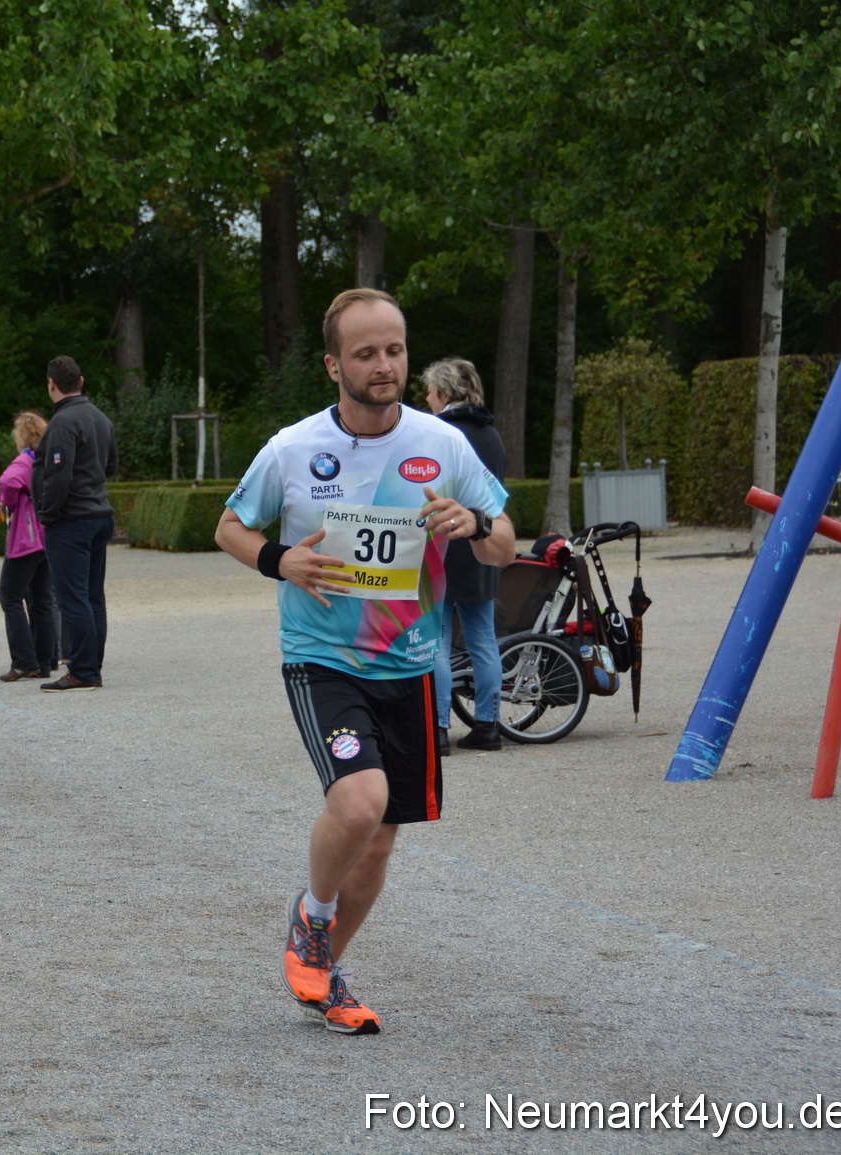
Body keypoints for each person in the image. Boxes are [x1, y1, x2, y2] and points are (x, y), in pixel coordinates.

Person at [215, 288, 514, 1036]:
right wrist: (281, 560)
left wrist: (474, 521)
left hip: (411, 663)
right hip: (323, 657)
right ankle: (311, 917)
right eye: (366, 353)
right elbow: (229, 526)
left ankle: (326, 971)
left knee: (380, 837)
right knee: (359, 802)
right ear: (333, 364)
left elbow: (505, 540)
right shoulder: (291, 449)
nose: (385, 366)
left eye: (395, 350)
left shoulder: (441, 444)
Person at [423, 358, 509, 754]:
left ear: (443, 393)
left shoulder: (439, 434)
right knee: (484, 641)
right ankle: (489, 725)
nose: (426, 399)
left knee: (436, 641)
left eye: (430, 392)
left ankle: (438, 730)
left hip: (442, 546)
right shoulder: (492, 435)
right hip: (483, 544)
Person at [33, 355, 117, 692]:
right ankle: (91, 667)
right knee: (93, 596)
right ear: (80, 381)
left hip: (72, 520)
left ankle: (82, 671)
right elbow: (110, 467)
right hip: (100, 514)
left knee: (73, 598)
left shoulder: (63, 423)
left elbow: (57, 476)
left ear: (51, 384)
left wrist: (47, 514)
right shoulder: (101, 418)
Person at [0, 411, 60, 680]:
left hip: (27, 537)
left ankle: (24, 662)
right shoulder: (48, 459)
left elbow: (8, 481)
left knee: (10, 597)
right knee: (41, 600)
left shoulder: (25, 459)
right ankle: (46, 660)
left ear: (23, 436)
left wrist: (8, 499)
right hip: (48, 534)